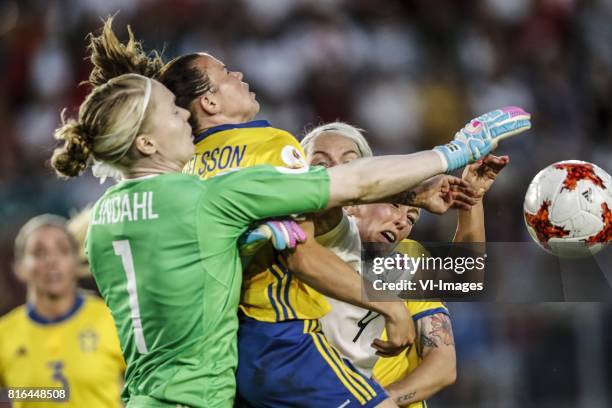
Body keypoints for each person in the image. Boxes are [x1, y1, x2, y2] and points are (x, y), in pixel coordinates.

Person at [82, 20, 532, 408]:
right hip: (284, 365)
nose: (335, 172)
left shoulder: (392, 261)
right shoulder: (282, 225)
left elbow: (464, 291)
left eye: (350, 160)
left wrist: (466, 203)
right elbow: (329, 209)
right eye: (318, 165)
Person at [302, 122, 508, 407]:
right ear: (356, 201)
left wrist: (470, 199)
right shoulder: (299, 250)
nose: (402, 220)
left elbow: (443, 364)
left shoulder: (405, 259)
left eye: (412, 217)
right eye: (396, 206)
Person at [0, 214, 125, 408]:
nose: (52, 260)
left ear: (76, 261)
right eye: (39, 253)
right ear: (20, 268)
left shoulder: (112, 320)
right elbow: (6, 396)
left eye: (63, 250)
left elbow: (148, 384)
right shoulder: (5, 334)